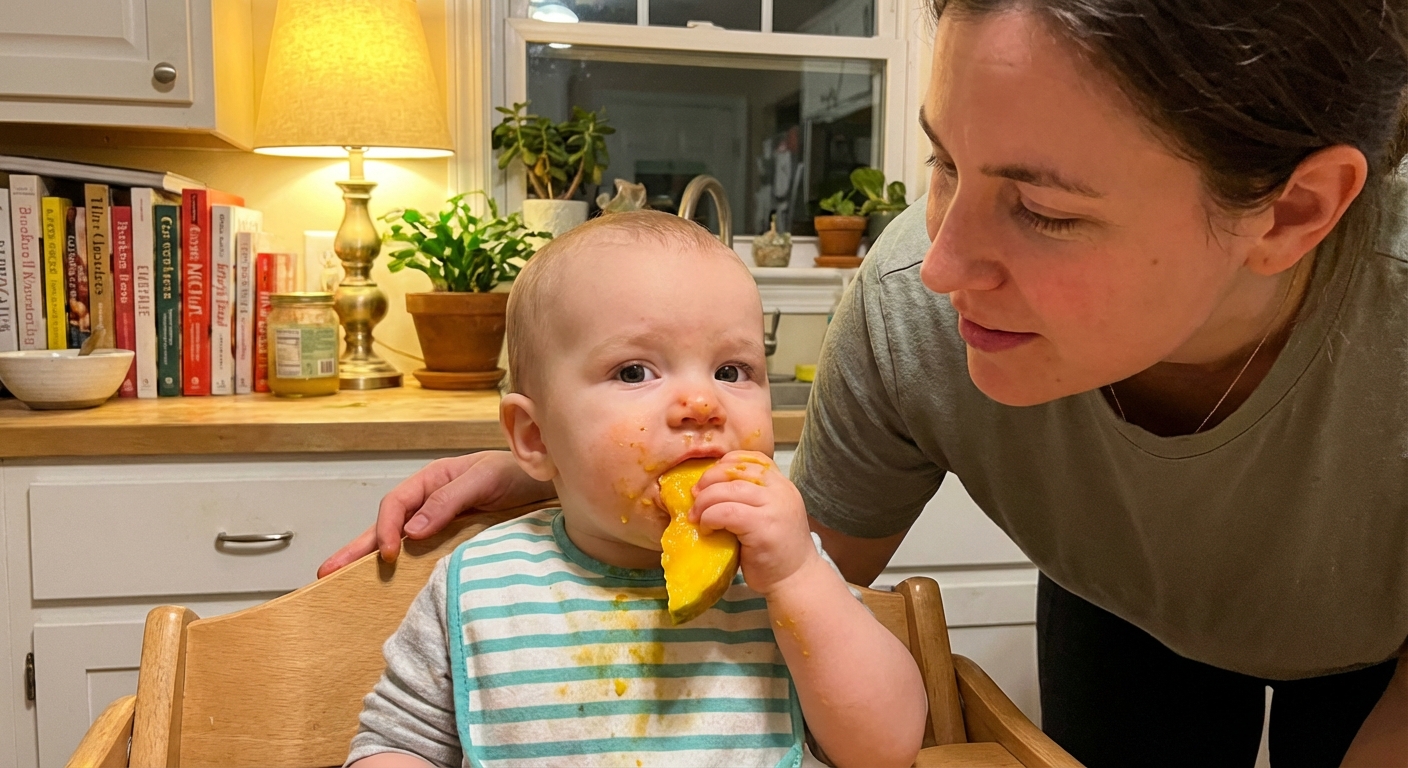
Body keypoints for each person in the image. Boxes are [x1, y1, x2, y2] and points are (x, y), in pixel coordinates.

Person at [324, 2, 1408, 765]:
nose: (939, 266)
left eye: (1047, 211)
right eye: (943, 162)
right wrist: (586, 470)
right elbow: (790, 570)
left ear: (1295, 211)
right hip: (1121, 602)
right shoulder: (907, 302)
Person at [344, 212, 926, 768]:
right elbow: (397, 743)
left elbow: (888, 748)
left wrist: (799, 576)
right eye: (633, 372)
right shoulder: (477, 585)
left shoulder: (782, 577)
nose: (702, 404)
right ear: (535, 436)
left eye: (731, 371)